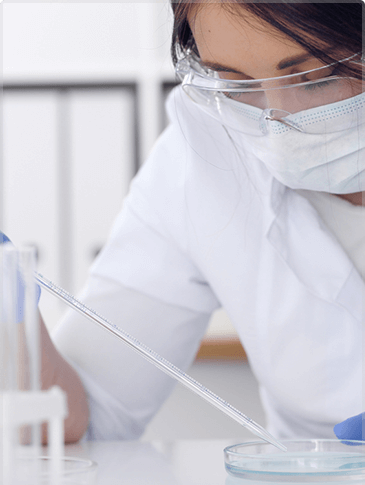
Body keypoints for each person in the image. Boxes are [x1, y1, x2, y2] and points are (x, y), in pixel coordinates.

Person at [2, 0, 364, 443]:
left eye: (315, 78)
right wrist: (14, 326)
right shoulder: (205, 145)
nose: (277, 122)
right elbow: (82, 416)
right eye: (237, 84)